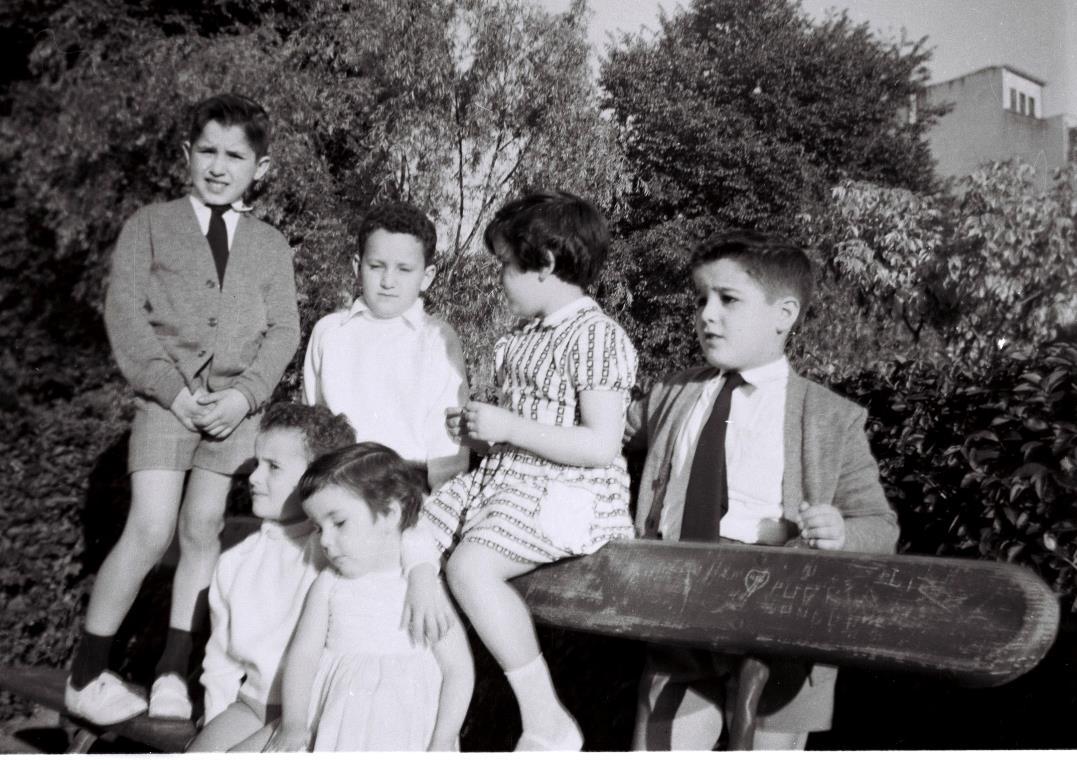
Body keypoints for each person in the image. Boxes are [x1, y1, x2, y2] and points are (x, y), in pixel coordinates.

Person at [65, 93, 301, 725]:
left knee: (202, 529)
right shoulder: (149, 224)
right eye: (207, 151)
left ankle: (173, 670)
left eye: (235, 156)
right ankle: (85, 674)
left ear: (261, 168)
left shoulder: (270, 244)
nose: (219, 167)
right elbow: (126, 317)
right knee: (150, 528)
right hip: (167, 403)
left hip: (234, 411)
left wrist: (244, 395)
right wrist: (174, 392)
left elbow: (284, 330)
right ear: (185, 155)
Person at [625, 229, 900, 751]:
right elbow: (598, 433)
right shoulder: (673, 394)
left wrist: (841, 531)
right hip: (678, 601)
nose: (707, 314)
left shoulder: (830, 418)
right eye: (701, 299)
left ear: (784, 314)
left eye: (728, 299)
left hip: (783, 612)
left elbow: (879, 525)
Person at [421, 191, 639, 751]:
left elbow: (600, 445)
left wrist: (511, 428)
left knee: (470, 569)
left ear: (544, 264)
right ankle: (439, 709)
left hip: (567, 492)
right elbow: (526, 427)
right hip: (507, 481)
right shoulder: (523, 338)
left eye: (505, 266)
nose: (500, 279)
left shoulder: (595, 336)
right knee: (409, 544)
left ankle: (544, 717)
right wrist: (485, 432)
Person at [255, 443, 474, 752]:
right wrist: (294, 724)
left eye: (339, 523)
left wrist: (443, 740)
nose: (326, 541)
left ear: (389, 514)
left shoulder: (421, 588)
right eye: (318, 528)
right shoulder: (329, 584)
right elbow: (303, 657)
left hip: (404, 732)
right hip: (334, 724)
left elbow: (457, 669)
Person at [185, 403, 353, 751]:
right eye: (256, 464)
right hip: (254, 704)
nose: (254, 478)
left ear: (317, 476)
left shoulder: (331, 552)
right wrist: (213, 724)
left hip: (315, 709)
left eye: (273, 467)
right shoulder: (236, 562)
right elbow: (221, 664)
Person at [302, 201, 469, 491]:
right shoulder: (329, 332)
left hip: (408, 487)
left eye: (404, 269)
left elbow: (448, 446)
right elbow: (310, 424)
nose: (388, 281)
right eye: (376, 266)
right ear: (357, 267)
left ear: (427, 277)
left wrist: (438, 505)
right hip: (335, 484)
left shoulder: (437, 339)